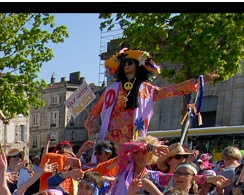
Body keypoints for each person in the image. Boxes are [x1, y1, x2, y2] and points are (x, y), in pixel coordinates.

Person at [81, 45, 215, 147]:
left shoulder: (147, 90)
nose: (127, 66)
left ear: (138, 66)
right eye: (124, 64)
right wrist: (93, 135)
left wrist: (198, 81)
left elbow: (170, 90)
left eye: (130, 63)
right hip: (110, 145)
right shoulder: (110, 91)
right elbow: (91, 117)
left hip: (135, 143)